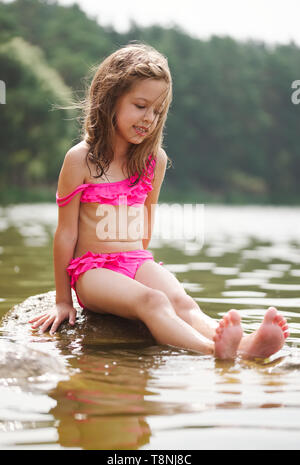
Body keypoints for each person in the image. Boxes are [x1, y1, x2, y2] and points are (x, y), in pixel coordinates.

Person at [29, 43, 289, 359]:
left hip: (135, 261)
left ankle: (248, 344)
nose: (149, 118)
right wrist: (63, 300)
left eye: (157, 110)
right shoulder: (80, 159)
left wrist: (142, 268)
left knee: (181, 301)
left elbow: (145, 227)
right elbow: (65, 234)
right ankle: (213, 351)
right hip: (91, 272)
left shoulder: (154, 161)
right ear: (110, 100)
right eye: (140, 106)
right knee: (153, 301)